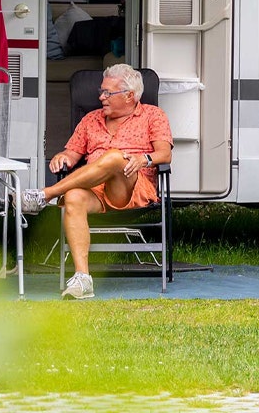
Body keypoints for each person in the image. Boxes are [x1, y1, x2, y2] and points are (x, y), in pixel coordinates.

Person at [22, 64, 172, 299]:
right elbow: (71, 155)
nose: (101, 97)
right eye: (101, 92)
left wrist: (143, 159)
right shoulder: (91, 120)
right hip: (95, 191)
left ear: (129, 96)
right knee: (73, 196)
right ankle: (83, 279)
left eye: (107, 93)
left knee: (114, 156)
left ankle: (45, 194)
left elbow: (165, 154)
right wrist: (63, 156)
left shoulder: (153, 115)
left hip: (132, 188)